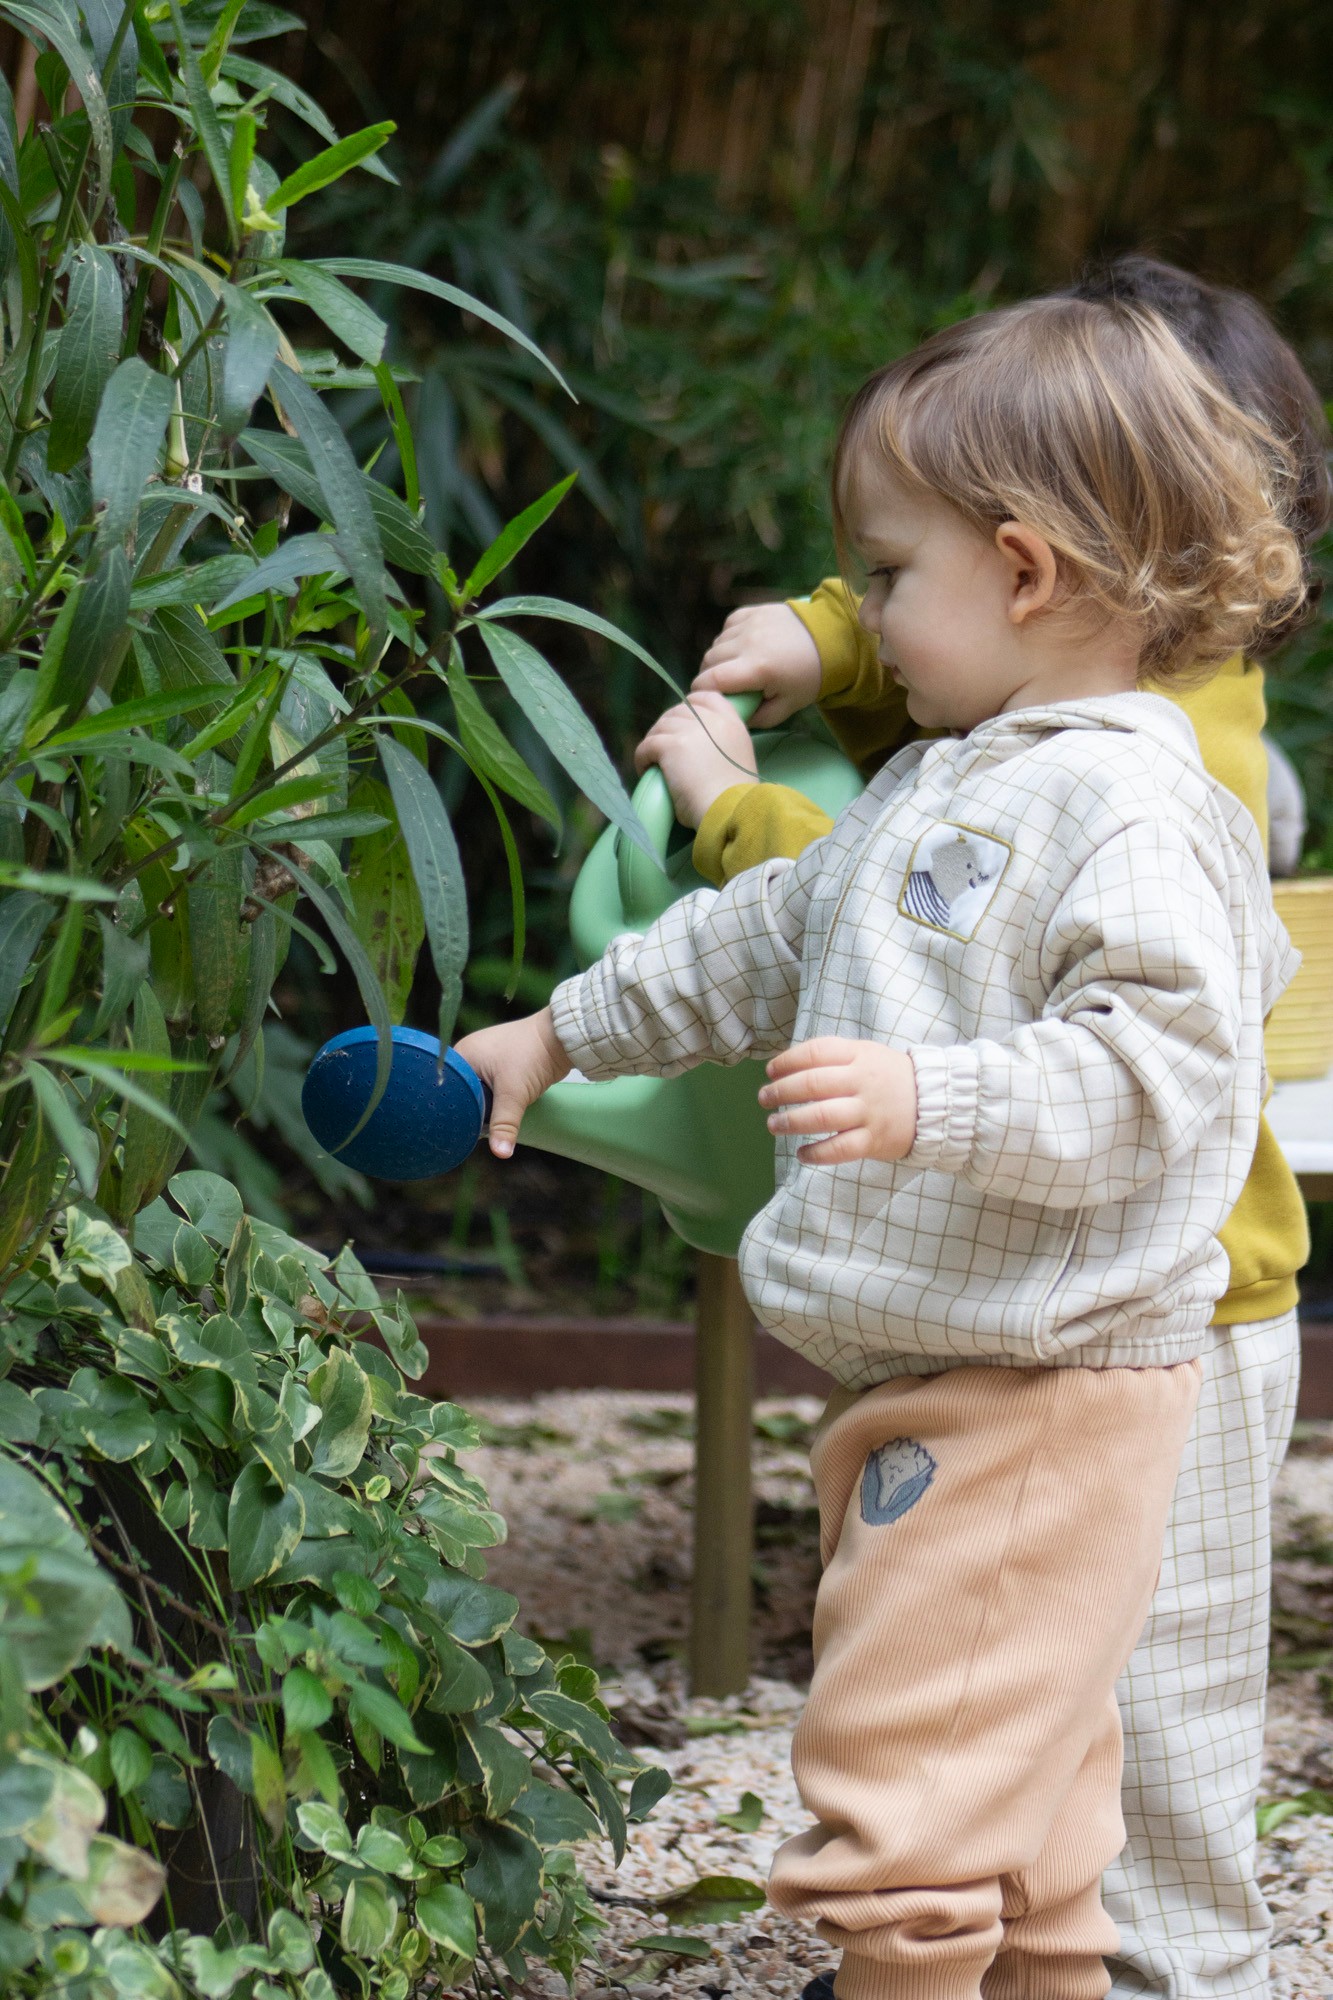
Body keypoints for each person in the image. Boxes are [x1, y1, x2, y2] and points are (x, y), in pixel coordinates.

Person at [458, 295, 1305, 2000]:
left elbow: (1161, 1072)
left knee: (901, 1773)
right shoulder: (954, 779)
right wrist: (562, 1032)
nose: (865, 618)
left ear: (1023, 573)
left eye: (885, 577)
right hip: (957, 1358)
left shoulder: (1129, 811)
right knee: (1042, 1782)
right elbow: (769, 928)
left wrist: (941, 1097)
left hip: (1050, 1382)